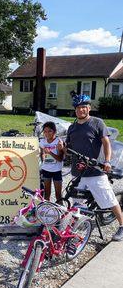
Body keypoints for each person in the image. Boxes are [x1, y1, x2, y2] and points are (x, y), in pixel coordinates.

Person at [63, 93, 123, 241]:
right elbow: (68, 150)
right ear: (75, 110)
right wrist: (62, 148)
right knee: (77, 203)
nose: (81, 110)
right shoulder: (72, 127)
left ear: (89, 108)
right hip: (78, 172)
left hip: (95, 171)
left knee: (109, 200)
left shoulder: (97, 123)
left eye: (84, 107)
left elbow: (106, 143)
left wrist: (107, 161)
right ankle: (74, 229)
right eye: (78, 107)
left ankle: (122, 226)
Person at [40, 121, 64, 201]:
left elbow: (60, 159)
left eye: (50, 131)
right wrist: (43, 156)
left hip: (57, 170)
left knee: (58, 194)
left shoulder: (59, 142)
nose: (47, 133)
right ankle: (47, 211)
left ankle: (61, 212)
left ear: (54, 131)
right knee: (47, 194)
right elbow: (42, 154)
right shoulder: (42, 141)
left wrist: (50, 152)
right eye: (45, 131)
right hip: (46, 170)